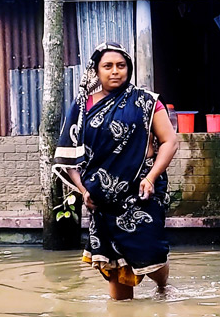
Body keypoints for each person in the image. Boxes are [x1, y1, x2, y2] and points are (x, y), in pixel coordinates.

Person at [53, 42, 179, 300]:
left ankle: (163, 286)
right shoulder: (81, 107)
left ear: (128, 69)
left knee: (150, 249)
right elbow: (68, 156)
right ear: (96, 71)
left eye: (121, 66)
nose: (115, 71)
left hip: (142, 189)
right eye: (107, 66)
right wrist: (82, 189)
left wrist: (151, 177)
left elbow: (170, 141)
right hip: (101, 198)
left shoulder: (146, 102)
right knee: (115, 264)